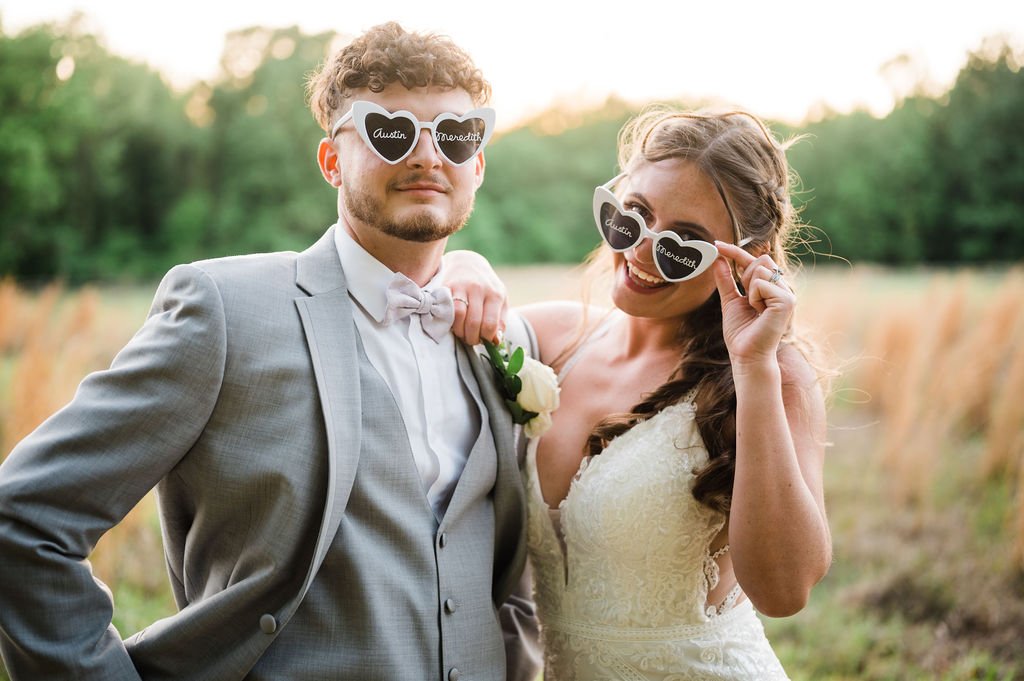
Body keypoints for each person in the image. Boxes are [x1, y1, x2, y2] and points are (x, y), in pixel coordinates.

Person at [0, 22, 540, 681]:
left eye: (455, 135)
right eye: (390, 131)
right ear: (332, 161)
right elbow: (21, 518)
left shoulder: (501, 336)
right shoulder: (224, 311)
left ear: (477, 162)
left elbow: (513, 575)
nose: (428, 155)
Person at [448, 107, 832, 679]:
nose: (643, 252)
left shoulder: (774, 377)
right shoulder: (556, 339)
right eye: (634, 217)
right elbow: (438, 312)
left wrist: (753, 368)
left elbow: (784, 591)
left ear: (745, 257)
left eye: (684, 244)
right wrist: (463, 261)